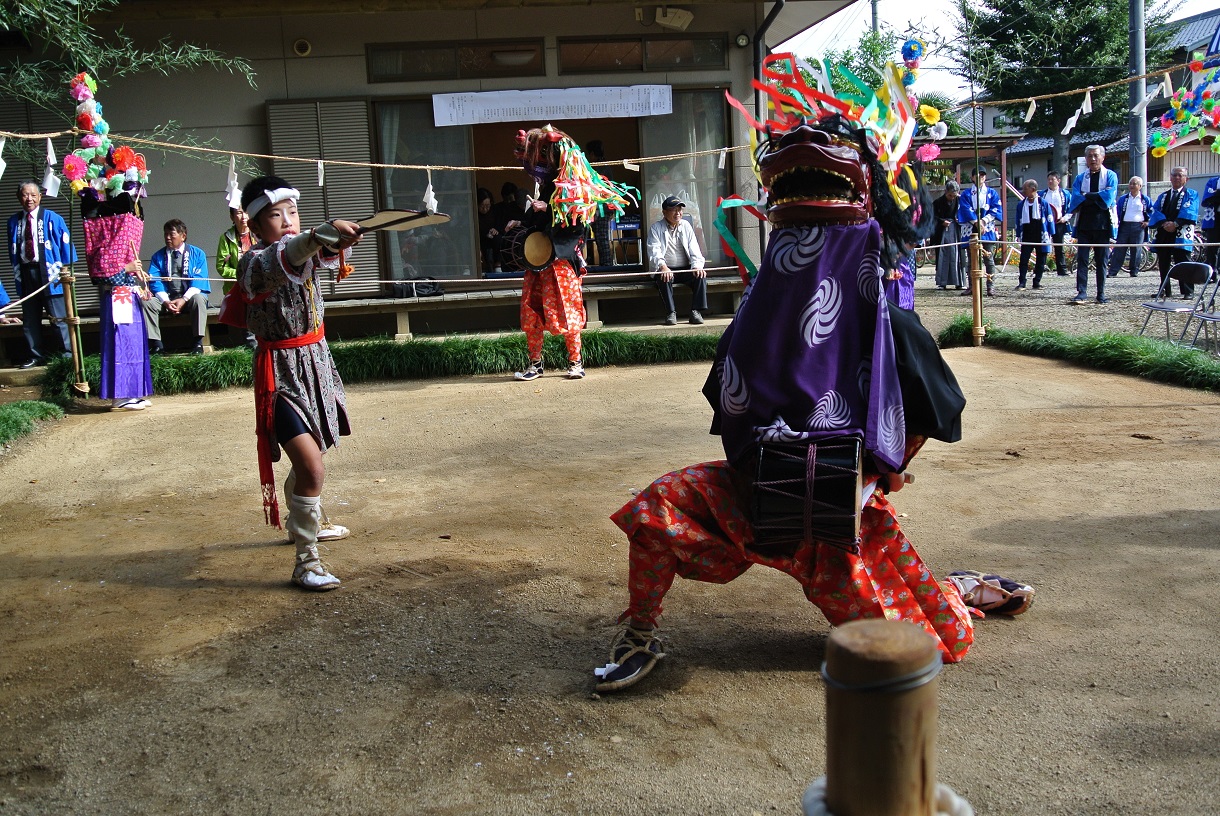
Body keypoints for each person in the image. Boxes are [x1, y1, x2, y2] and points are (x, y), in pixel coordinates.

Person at [593, 62, 1034, 694]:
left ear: (867, 207)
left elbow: (942, 411)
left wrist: (872, 476)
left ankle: (951, 592)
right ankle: (640, 634)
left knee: (927, 649)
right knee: (657, 507)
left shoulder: (893, 327)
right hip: (753, 497)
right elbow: (729, 401)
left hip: (837, 522)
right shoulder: (756, 312)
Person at [228, 176, 361, 591]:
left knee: (312, 456)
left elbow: (315, 251)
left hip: (316, 362)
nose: (287, 221)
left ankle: (302, 521)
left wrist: (341, 236)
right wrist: (323, 232)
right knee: (311, 465)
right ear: (253, 223)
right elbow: (294, 250)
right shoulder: (252, 264)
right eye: (275, 214)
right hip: (279, 373)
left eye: (292, 211)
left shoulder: (305, 252)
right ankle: (306, 562)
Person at [511, 126, 634, 382]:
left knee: (569, 312)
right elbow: (535, 218)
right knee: (531, 312)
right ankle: (535, 364)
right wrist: (521, 222)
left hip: (562, 261)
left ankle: (575, 362)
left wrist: (551, 208)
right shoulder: (546, 187)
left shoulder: (573, 188)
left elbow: (576, 225)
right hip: (537, 263)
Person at [6, 181, 76, 368]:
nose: (29, 199)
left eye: (33, 195)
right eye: (24, 195)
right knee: (30, 317)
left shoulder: (53, 218)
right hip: (26, 272)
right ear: (19, 197)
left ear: (40, 197)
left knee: (58, 316)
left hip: (50, 273)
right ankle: (35, 355)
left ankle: (67, 354)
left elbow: (66, 248)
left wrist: (65, 273)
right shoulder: (13, 221)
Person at [141, 219, 211, 354]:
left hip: (188, 298)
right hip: (166, 299)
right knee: (147, 302)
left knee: (199, 298)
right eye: (165, 234)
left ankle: (198, 343)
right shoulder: (157, 256)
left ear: (183, 235)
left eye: (171, 234)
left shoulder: (198, 254)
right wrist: (166, 301)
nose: (167, 238)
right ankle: (156, 345)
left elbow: (199, 280)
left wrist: (184, 299)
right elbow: (155, 281)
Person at [646, 195, 708, 325]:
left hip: (685, 269)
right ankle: (671, 313)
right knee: (664, 277)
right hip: (667, 269)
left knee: (700, 275)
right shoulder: (656, 228)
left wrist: (697, 266)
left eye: (680, 209)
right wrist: (662, 266)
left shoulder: (686, 226)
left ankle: (696, 311)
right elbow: (654, 251)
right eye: (673, 210)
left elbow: (694, 249)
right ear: (664, 212)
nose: (678, 213)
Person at [1068, 144, 1118, 304]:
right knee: (1082, 259)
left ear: (1103, 157)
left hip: (1103, 225)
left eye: (1096, 155)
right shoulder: (1080, 178)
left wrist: (1087, 196)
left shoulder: (1110, 175)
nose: (1093, 159)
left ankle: (1101, 293)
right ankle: (1081, 292)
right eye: (1089, 156)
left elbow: (1108, 196)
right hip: (1084, 224)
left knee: (1102, 260)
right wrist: (1094, 197)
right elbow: (1075, 197)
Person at [1148, 166, 1201, 299]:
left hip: (1181, 231)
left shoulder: (1191, 194)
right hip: (1165, 232)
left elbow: (1190, 211)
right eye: (1174, 175)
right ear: (1170, 178)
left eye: (1180, 175)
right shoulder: (1164, 195)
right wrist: (1164, 223)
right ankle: (1165, 289)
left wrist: (1176, 224)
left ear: (1186, 179)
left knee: (1183, 261)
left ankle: (1188, 290)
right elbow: (1155, 210)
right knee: (1164, 262)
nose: (1177, 177)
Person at [217, 206, 259, 349]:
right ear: (232, 217)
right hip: (237, 286)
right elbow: (221, 267)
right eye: (239, 213)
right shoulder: (226, 238)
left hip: (258, 283)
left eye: (246, 212)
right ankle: (250, 342)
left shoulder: (258, 234)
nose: (243, 217)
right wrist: (241, 274)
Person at [956, 167, 1000, 297]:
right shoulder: (966, 194)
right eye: (977, 175)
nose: (980, 177)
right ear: (972, 177)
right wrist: (975, 221)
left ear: (985, 177)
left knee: (989, 258)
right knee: (972, 259)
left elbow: (996, 208)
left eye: (982, 175)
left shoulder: (992, 193)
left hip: (986, 227)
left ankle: (990, 286)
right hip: (972, 227)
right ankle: (972, 286)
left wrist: (983, 221)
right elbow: (964, 208)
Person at [1106, 177, 1152, 279]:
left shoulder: (1145, 199)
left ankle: (1134, 271)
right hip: (1124, 226)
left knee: (1136, 249)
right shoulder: (1124, 198)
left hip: (1138, 226)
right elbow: (1117, 212)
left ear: (1140, 186)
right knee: (1119, 249)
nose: (1131, 186)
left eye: (1134, 184)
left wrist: (1147, 222)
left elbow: (1152, 212)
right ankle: (1113, 271)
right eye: (1130, 183)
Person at [1014, 179, 1056, 290]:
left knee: (1041, 260)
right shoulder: (1021, 204)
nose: (1023, 191)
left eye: (1025, 189)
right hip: (1027, 234)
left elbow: (1049, 218)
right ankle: (1022, 281)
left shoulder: (1043, 203)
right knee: (1023, 259)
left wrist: (1051, 234)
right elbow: (1018, 220)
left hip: (1040, 234)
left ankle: (1037, 281)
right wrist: (1018, 234)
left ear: (1033, 189)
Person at [584, 140, 616, 268]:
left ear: (591, 153)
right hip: (593, 208)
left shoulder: (601, 167)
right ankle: (605, 265)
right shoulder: (603, 166)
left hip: (601, 208)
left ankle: (607, 266)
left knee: (601, 238)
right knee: (599, 238)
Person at [1041, 172, 1074, 276]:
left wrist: (1065, 218)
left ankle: (1062, 269)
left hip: (1059, 223)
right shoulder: (1043, 194)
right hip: (1045, 224)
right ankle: (1040, 268)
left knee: (1059, 246)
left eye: (1052, 179)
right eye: (1049, 179)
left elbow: (1071, 208)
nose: (1050, 181)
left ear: (1058, 181)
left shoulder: (1065, 194)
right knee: (1043, 245)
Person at [932, 180, 964, 289]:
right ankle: (942, 282)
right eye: (950, 195)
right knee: (943, 254)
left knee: (957, 255)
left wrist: (959, 218)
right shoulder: (937, 202)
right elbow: (932, 216)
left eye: (954, 196)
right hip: (942, 231)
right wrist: (941, 221)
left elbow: (965, 212)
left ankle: (959, 282)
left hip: (956, 229)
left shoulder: (960, 201)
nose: (952, 198)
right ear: (946, 192)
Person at [1201, 175, 1220, 271]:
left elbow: (1214, 196)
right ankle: (1212, 273)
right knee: (1212, 248)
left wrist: (1217, 194)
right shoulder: (1213, 181)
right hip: (1214, 219)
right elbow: (1207, 199)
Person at [476, 188, 496, 274]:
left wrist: (495, 230)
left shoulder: (494, 213)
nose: (485, 209)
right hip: (479, 239)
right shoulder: (474, 215)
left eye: (487, 206)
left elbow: (499, 226)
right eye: (482, 206)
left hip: (490, 240)